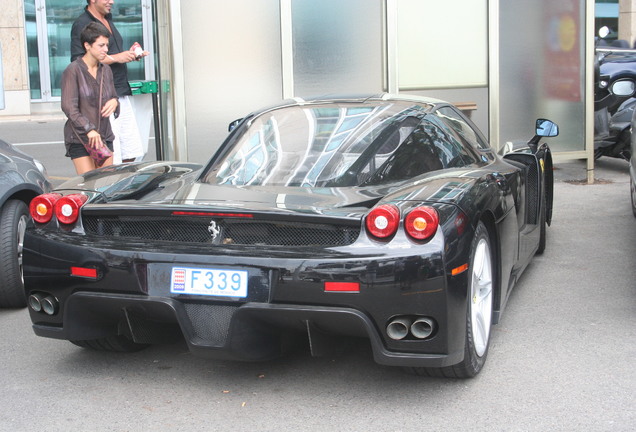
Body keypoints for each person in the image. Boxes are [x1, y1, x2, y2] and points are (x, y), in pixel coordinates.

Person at [70, 0, 148, 163]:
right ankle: (111, 187)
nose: (111, 1)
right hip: (101, 97)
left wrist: (130, 54)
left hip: (120, 92)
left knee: (131, 153)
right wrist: (116, 58)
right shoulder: (82, 24)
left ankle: (123, 188)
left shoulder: (108, 19)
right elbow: (79, 61)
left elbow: (109, 55)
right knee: (112, 157)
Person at [61, 22, 119, 175]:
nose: (105, 50)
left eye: (107, 45)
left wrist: (114, 102)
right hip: (80, 137)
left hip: (104, 137)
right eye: (101, 45)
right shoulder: (73, 70)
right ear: (87, 45)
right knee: (89, 186)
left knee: (105, 185)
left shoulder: (106, 70)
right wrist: (89, 129)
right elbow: (69, 107)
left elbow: (113, 95)